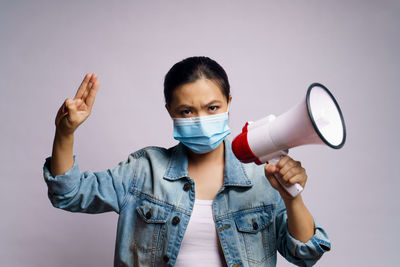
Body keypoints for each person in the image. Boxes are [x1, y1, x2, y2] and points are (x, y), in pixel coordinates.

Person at [43, 56, 331, 267]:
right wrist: (65, 133)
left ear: (229, 102)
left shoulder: (261, 178)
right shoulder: (144, 171)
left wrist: (292, 198)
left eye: (213, 107)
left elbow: (305, 254)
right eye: (186, 111)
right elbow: (68, 193)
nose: (202, 120)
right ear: (169, 110)